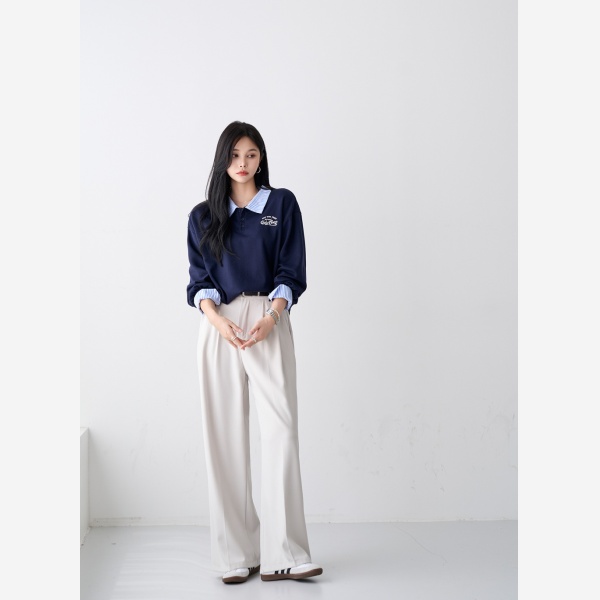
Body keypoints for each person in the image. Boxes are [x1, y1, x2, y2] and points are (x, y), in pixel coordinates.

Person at [186, 121, 323, 584]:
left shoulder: (281, 204)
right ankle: (235, 553)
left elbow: (291, 269)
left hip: (269, 319)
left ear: (261, 158)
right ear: (222, 159)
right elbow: (199, 281)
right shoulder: (203, 216)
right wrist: (217, 320)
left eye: (251, 154)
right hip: (219, 325)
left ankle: (288, 552)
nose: (242, 163)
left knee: (281, 429)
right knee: (223, 437)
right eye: (234, 155)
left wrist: (272, 317)